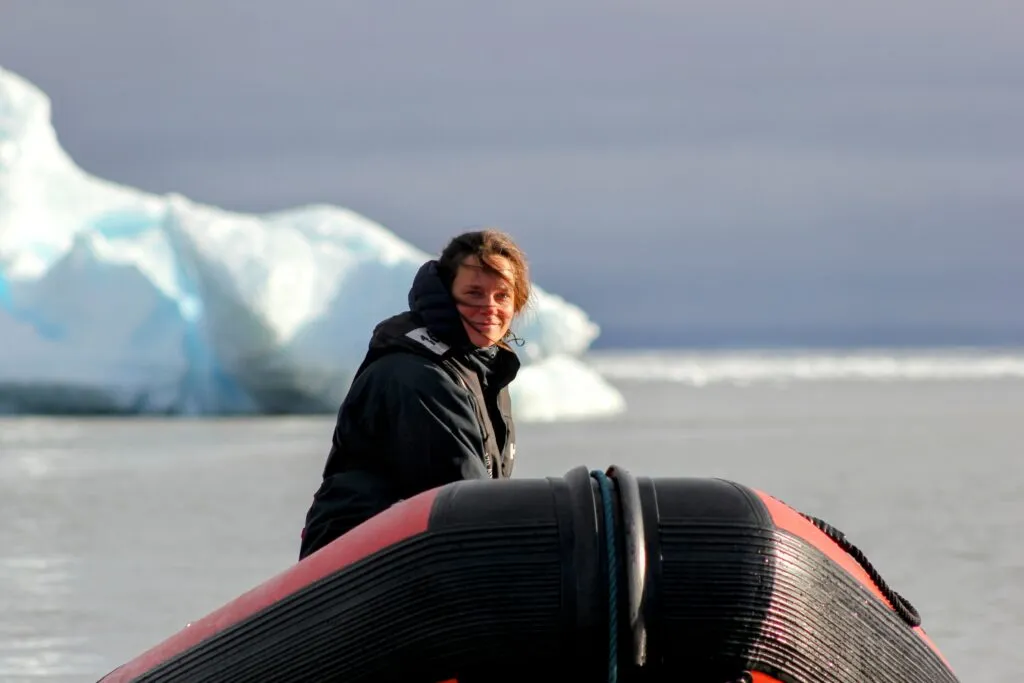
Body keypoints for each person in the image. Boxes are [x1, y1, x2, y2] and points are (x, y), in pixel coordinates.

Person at [298, 229, 531, 560]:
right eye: (474, 293)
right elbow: (464, 499)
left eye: (502, 296)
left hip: (411, 561)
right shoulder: (418, 377)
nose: (489, 307)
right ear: (446, 295)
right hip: (358, 566)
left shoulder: (478, 369)